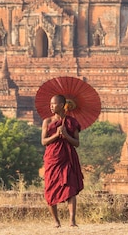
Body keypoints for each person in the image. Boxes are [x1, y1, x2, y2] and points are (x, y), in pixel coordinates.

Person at [41, 94, 84, 227]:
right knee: (50, 189)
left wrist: (65, 135)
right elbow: (43, 141)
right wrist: (56, 135)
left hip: (67, 157)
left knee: (70, 188)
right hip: (53, 158)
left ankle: (72, 221)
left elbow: (76, 143)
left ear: (61, 105)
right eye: (50, 104)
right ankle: (56, 221)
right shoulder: (47, 122)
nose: (51, 107)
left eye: (53, 104)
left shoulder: (72, 122)